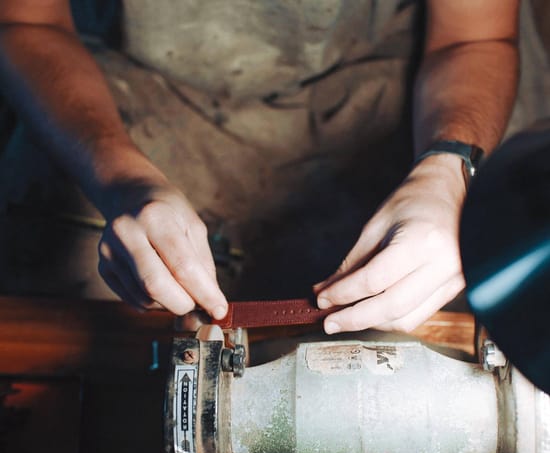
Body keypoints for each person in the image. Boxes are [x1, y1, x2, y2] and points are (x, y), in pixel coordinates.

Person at [0, 0, 520, 334]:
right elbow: (26, 20)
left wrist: (449, 170)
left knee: (465, 323)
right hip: (123, 89)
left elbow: (471, 37)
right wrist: (120, 181)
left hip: (387, 83)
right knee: (75, 334)